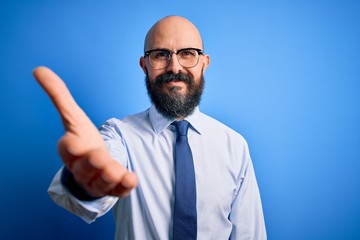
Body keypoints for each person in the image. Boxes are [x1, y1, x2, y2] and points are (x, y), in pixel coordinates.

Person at [33, 15, 266, 239]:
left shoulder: (235, 146)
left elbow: (250, 234)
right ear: (144, 65)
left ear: (204, 63)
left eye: (187, 54)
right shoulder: (119, 135)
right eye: (160, 55)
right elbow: (104, 166)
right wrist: (87, 182)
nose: (174, 67)